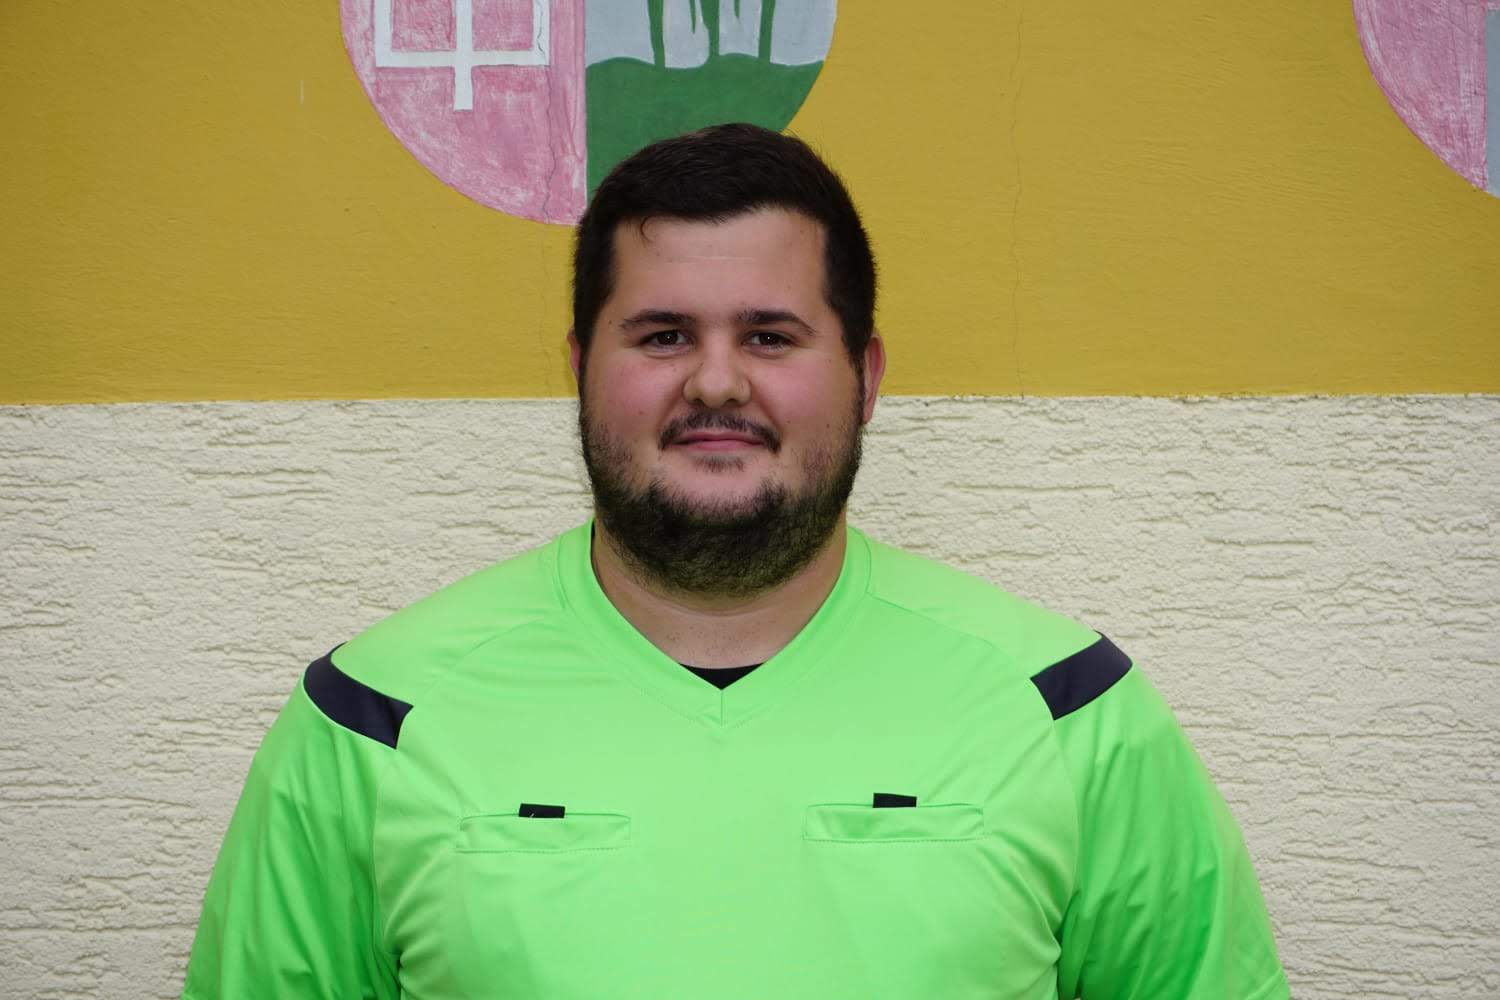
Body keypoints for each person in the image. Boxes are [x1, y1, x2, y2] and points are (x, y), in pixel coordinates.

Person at [182, 123, 1289, 999]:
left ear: (865, 375)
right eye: (663, 335)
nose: (716, 383)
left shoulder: (1069, 708)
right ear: (579, 368)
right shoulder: (371, 718)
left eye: (769, 335)